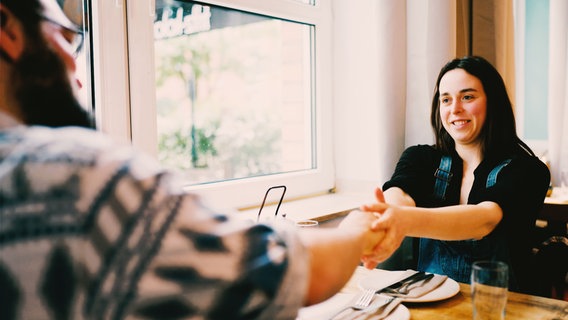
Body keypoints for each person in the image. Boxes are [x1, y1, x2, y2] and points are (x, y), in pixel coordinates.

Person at [0, 1, 385, 319]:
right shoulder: (75, 178)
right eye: (66, 38)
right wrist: (360, 228)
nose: (76, 72)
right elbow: (297, 273)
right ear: (7, 28)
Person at [361, 56, 550, 294]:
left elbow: (484, 218)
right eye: (446, 99)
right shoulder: (420, 158)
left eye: (468, 97)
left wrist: (401, 220)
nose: (455, 109)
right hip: (431, 303)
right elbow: (399, 194)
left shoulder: (528, 170)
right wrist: (390, 215)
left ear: (493, 102)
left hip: (504, 307)